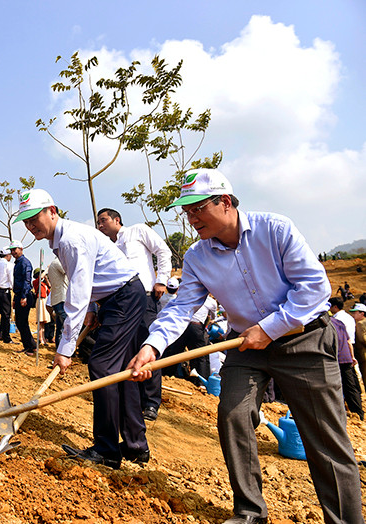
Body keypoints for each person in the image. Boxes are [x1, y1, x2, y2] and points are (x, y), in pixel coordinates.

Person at [127, 168, 363, 524]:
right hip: (245, 348)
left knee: (325, 438)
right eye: (186, 212)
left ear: (224, 202)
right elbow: (180, 308)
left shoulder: (275, 229)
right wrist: (152, 347)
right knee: (233, 416)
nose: (191, 219)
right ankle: (250, 511)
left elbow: (315, 288)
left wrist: (269, 328)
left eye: (197, 209)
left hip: (305, 340)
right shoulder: (197, 257)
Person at [14, 188, 148, 470]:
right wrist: (93, 309)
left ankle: (107, 449)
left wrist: (65, 348)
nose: (30, 225)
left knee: (101, 366)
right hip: (117, 297)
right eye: (25, 221)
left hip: (123, 296)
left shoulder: (71, 241)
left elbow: (77, 291)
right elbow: (88, 281)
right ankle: (136, 446)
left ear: (52, 211)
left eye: (34, 217)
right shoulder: (60, 240)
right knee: (122, 370)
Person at [97, 207, 171, 421]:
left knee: (147, 346)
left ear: (116, 219)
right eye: (98, 222)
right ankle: (132, 400)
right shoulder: (109, 247)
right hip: (121, 303)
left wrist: (161, 280)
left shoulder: (138, 231)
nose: (100, 225)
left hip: (146, 296)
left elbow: (163, 251)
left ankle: (151, 402)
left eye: (103, 220)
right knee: (126, 350)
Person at [329, 312, 363, 420]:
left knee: (335, 386)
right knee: (351, 387)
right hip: (346, 357)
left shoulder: (326, 324)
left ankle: (339, 411)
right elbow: (348, 341)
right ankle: (358, 412)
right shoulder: (339, 323)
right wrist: (352, 356)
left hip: (334, 359)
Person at [10, 240, 36, 356]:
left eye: (15, 249)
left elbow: (27, 280)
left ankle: (31, 347)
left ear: (21, 248)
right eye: (11, 250)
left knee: (22, 322)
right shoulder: (18, 263)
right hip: (19, 295)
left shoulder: (25, 263)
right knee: (20, 322)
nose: (13, 252)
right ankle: (29, 346)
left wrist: (23, 296)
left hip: (24, 295)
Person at [47, 257, 68, 349]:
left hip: (57, 299)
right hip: (62, 298)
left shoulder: (54, 263)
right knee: (66, 328)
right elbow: (69, 271)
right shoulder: (58, 262)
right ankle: (63, 351)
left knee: (60, 328)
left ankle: (59, 349)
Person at [350, 303, 366, 386]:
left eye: (355, 312)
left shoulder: (360, 323)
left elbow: (362, 339)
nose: (353, 315)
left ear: (362, 313)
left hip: (363, 354)